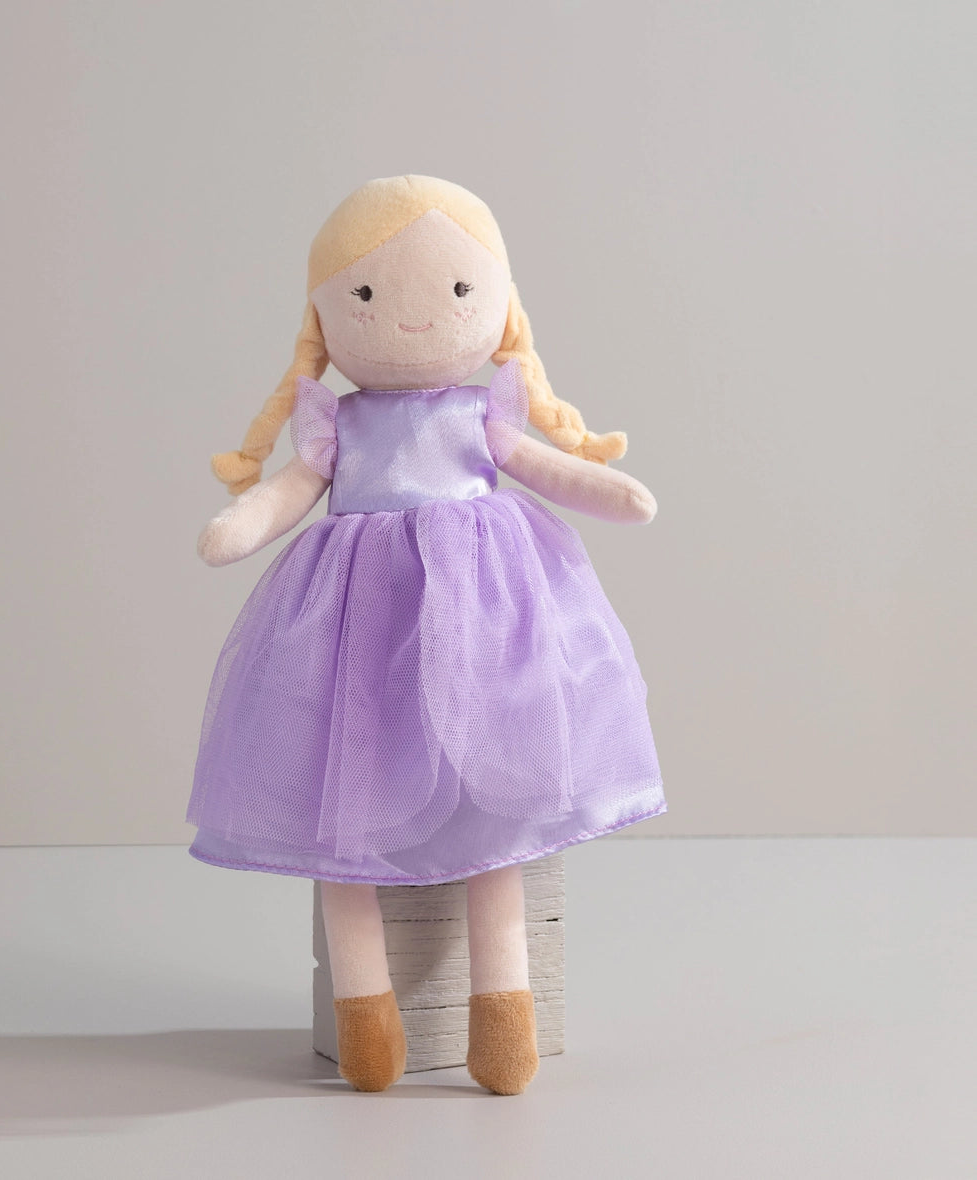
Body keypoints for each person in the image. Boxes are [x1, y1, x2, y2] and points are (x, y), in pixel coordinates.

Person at [189, 175, 665, 1094]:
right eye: (367, 294)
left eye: (457, 290)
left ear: (497, 303)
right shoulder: (338, 423)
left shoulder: (483, 411)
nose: (415, 317)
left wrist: (612, 489)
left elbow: (542, 467)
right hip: (354, 629)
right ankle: (365, 1015)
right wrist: (237, 525)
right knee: (340, 812)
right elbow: (289, 492)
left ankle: (503, 1010)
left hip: (480, 624)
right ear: (328, 315)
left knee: (500, 802)